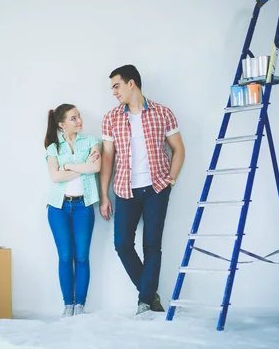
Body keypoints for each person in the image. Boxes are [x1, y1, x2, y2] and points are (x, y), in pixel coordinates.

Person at [99, 65, 185, 317]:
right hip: (125, 189)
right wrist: (105, 195)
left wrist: (171, 180)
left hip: (157, 188)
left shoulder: (163, 113)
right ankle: (149, 295)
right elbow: (107, 158)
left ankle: (145, 302)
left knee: (152, 246)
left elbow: (178, 149)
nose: (114, 92)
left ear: (131, 83)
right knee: (122, 244)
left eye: (116, 85)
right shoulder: (111, 117)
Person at [44, 103, 101, 318]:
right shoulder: (53, 148)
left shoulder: (92, 142)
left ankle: (80, 305)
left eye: (79, 116)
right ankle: (68, 304)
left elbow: (95, 168)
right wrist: (81, 165)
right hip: (58, 207)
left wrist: (67, 166)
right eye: (73, 118)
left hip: (83, 206)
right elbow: (55, 177)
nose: (79, 121)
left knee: (82, 257)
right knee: (65, 257)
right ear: (61, 124)